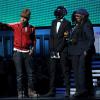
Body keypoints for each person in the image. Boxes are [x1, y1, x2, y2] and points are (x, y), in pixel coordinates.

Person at [0, 9, 37, 98]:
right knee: (19, 74)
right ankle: (20, 92)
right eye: (21, 17)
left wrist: (32, 49)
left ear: (28, 19)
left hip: (27, 53)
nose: (22, 19)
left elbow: (34, 40)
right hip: (17, 53)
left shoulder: (31, 28)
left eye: (24, 18)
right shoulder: (16, 25)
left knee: (30, 74)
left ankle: (31, 91)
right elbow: (4, 25)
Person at [43, 6, 71, 98]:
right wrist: (52, 49)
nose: (57, 15)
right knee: (52, 71)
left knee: (64, 71)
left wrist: (58, 49)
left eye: (59, 13)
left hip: (62, 51)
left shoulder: (67, 23)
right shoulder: (53, 22)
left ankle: (67, 91)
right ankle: (51, 91)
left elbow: (65, 38)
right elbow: (51, 36)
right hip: (54, 51)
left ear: (63, 13)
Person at [69, 8, 95, 99]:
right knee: (78, 72)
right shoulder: (79, 25)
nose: (76, 17)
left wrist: (86, 50)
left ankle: (81, 91)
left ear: (83, 15)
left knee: (80, 72)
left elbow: (91, 39)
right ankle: (82, 90)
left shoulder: (86, 24)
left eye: (78, 15)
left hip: (81, 52)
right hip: (76, 51)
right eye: (75, 16)